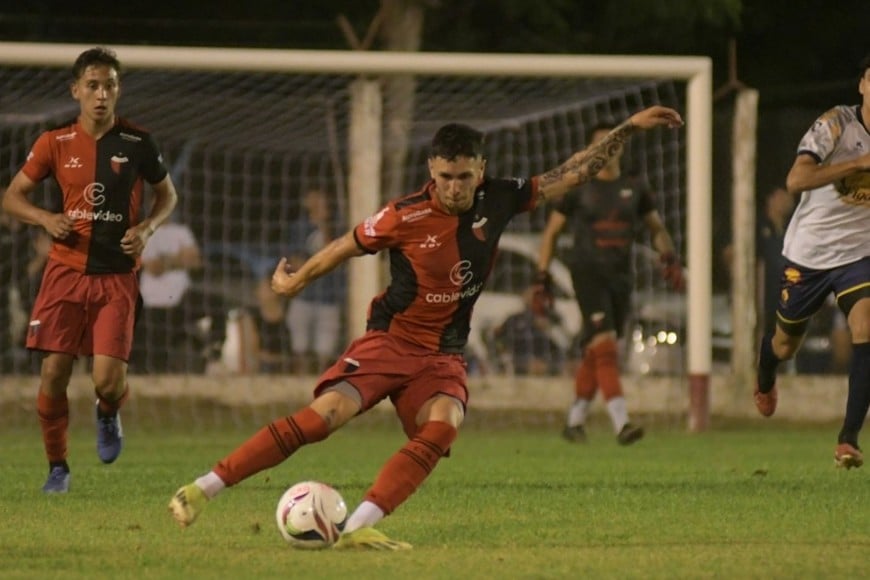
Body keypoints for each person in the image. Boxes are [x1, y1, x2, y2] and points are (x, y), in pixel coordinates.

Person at [168, 105, 683, 549]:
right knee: (324, 418)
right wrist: (296, 280)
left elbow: (572, 172)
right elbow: (348, 244)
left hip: (444, 355)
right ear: (431, 171)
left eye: (463, 176)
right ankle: (201, 488)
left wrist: (630, 128)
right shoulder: (404, 214)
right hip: (390, 341)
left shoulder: (500, 198)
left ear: (480, 170)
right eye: (444, 177)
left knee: (445, 422)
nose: (454, 188)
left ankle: (360, 527)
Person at [1, 47, 178, 493]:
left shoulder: (138, 143)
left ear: (118, 90)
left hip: (116, 275)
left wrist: (147, 229)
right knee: (54, 372)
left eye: (111, 86)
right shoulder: (53, 143)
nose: (102, 95)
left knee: (106, 379)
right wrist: (44, 219)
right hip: (64, 273)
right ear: (76, 90)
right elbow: (12, 197)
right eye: (94, 86)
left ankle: (108, 411)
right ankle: (58, 467)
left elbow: (167, 196)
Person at [753, 53, 870, 470]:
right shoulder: (836, 123)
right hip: (808, 254)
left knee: (866, 325)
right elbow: (795, 180)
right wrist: (856, 164)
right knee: (785, 344)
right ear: (862, 84)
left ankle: (848, 440)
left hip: (859, 255)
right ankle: (765, 372)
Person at [536, 122, 684, 446]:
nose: (607, 148)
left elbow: (656, 227)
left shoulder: (635, 186)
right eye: (599, 144)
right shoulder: (578, 187)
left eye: (612, 142)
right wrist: (541, 276)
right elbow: (551, 232)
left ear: (621, 146)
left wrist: (669, 258)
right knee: (605, 347)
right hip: (587, 273)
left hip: (621, 277)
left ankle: (574, 421)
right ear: (590, 152)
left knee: (599, 349)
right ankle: (622, 423)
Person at [132, 219, 227, 373]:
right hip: (153, 304)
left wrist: (166, 261)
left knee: (217, 304)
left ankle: (214, 349)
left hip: (182, 298)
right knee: (157, 353)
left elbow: (195, 261)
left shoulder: (182, 231)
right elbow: (154, 268)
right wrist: (180, 258)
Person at [284, 189, 346, 373]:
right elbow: (295, 262)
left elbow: (336, 258)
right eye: (314, 196)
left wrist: (323, 225)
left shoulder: (338, 227)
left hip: (330, 297)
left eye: (322, 196)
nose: (320, 201)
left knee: (324, 350)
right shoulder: (298, 228)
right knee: (299, 346)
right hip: (303, 294)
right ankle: (298, 382)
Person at [490, 284, 569, 376]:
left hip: (548, 370)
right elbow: (495, 338)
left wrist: (548, 365)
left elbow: (564, 348)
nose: (539, 300)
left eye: (542, 297)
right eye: (536, 296)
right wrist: (503, 359)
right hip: (519, 368)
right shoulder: (515, 319)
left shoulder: (555, 321)